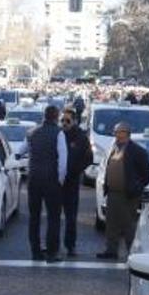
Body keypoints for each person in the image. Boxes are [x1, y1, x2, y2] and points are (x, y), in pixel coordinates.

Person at [97, 122, 149, 260]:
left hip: (128, 194)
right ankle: (111, 250)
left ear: (127, 133)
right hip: (113, 193)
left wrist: (136, 187)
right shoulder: (114, 148)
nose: (116, 134)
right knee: (111, 224)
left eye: (119, 131)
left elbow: (147, 175)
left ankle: (132, 252)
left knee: (128, 224)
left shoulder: (137, 151)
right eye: (115, 132)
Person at [25, 105, 68, 263]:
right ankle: (52, 252)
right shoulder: (59, 133)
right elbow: (63, 160)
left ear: (44, 116)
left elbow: (22, 150)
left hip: (34, 178)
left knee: (34, 217)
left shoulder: (31, 132)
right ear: (56, 117)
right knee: (53, 217)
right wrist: (60, 180)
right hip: (51, 180)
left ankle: (35, 251)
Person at [60, 108, 93, 258]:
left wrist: (76, 170)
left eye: (67, 121)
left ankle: (70, 245)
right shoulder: (58, 134)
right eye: (62, 120)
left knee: (71, 217)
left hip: (72, 182)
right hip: (56, 182)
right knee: (53, 215)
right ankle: (52, 245)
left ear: (74, 121)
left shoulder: (81, 137)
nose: (64, 124)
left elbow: (89, 158)